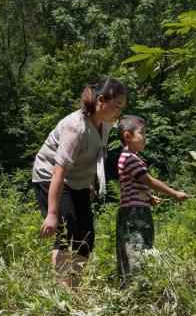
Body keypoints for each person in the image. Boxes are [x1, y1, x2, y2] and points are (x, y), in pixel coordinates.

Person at [33, 78, 127, 285]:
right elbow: (59, 171)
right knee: (66, 233)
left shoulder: (105, 123)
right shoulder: (76, 128)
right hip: (51, 176)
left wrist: (91, 183)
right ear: (101, 100)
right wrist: (51, 214)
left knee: (86, 238)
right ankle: (61, 294)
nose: (119, 111)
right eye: (117, 105)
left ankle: (73, 287)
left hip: (79, 181)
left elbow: (95, 154)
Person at [114, 115, 188, 288]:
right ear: (127, 136)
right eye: (142, 133)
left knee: (138, 247)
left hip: (136, 209)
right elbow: (149, 181)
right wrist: (174, 193)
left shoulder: (132, 158)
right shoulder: (130, 158)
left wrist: (148, 198)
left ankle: (133, 287)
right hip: (134, 213)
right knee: (136, 248)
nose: (145, 137)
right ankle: (134, 289)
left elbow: (135, 184)